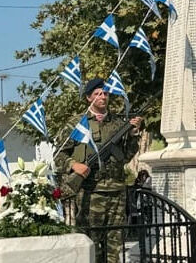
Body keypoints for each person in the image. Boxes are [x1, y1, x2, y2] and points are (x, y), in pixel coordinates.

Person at [55, 78, 142, 263]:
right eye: (97, 94)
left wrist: (133, 135)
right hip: (90, 191)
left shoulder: (118, 123)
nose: (103, 97)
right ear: (89, 98)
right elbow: (57, 155)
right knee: (90, 243)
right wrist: (74, 164)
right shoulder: (77, 124)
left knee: (115, 245)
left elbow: (126, 157)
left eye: (105, 93)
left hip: (116, 191)